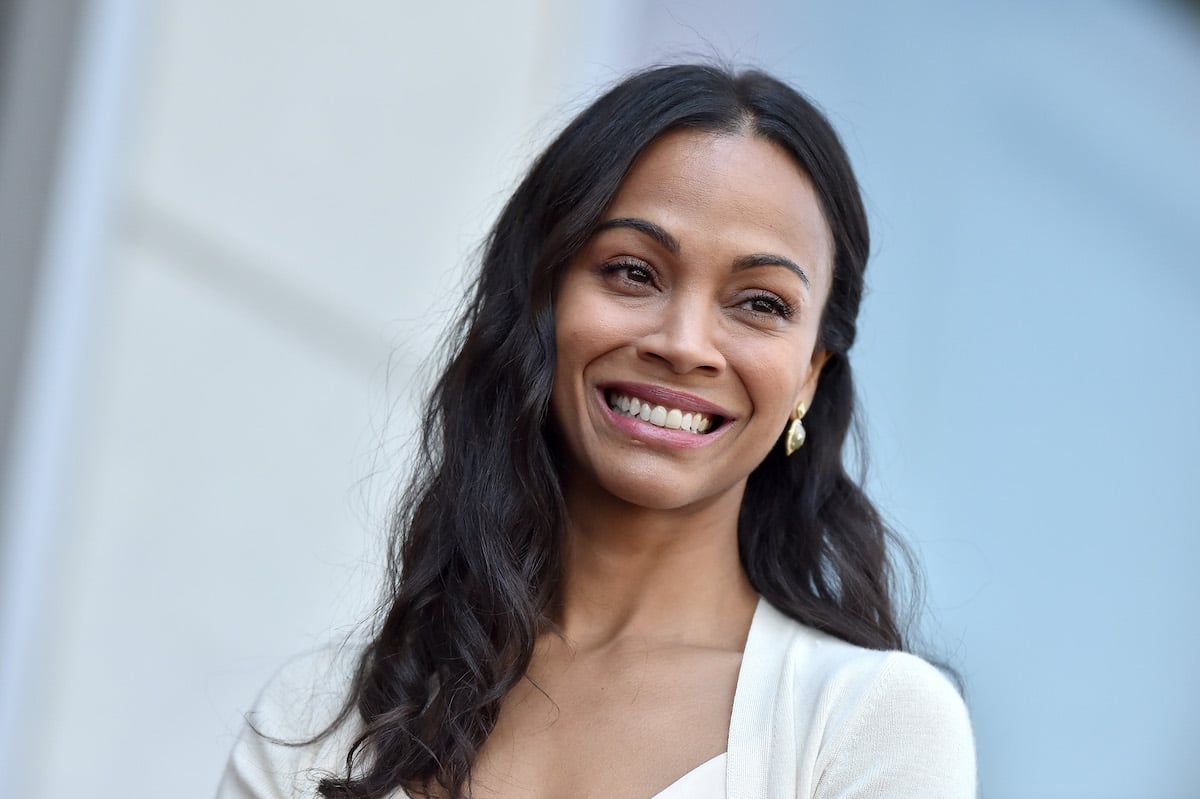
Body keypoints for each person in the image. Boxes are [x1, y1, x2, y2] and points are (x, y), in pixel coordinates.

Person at [217, 63, 976, 799]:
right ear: (542, 300)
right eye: (632, 271)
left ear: (809, 373)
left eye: (760, 303)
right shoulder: (317, 723)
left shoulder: (866, 728)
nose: (684, 343)